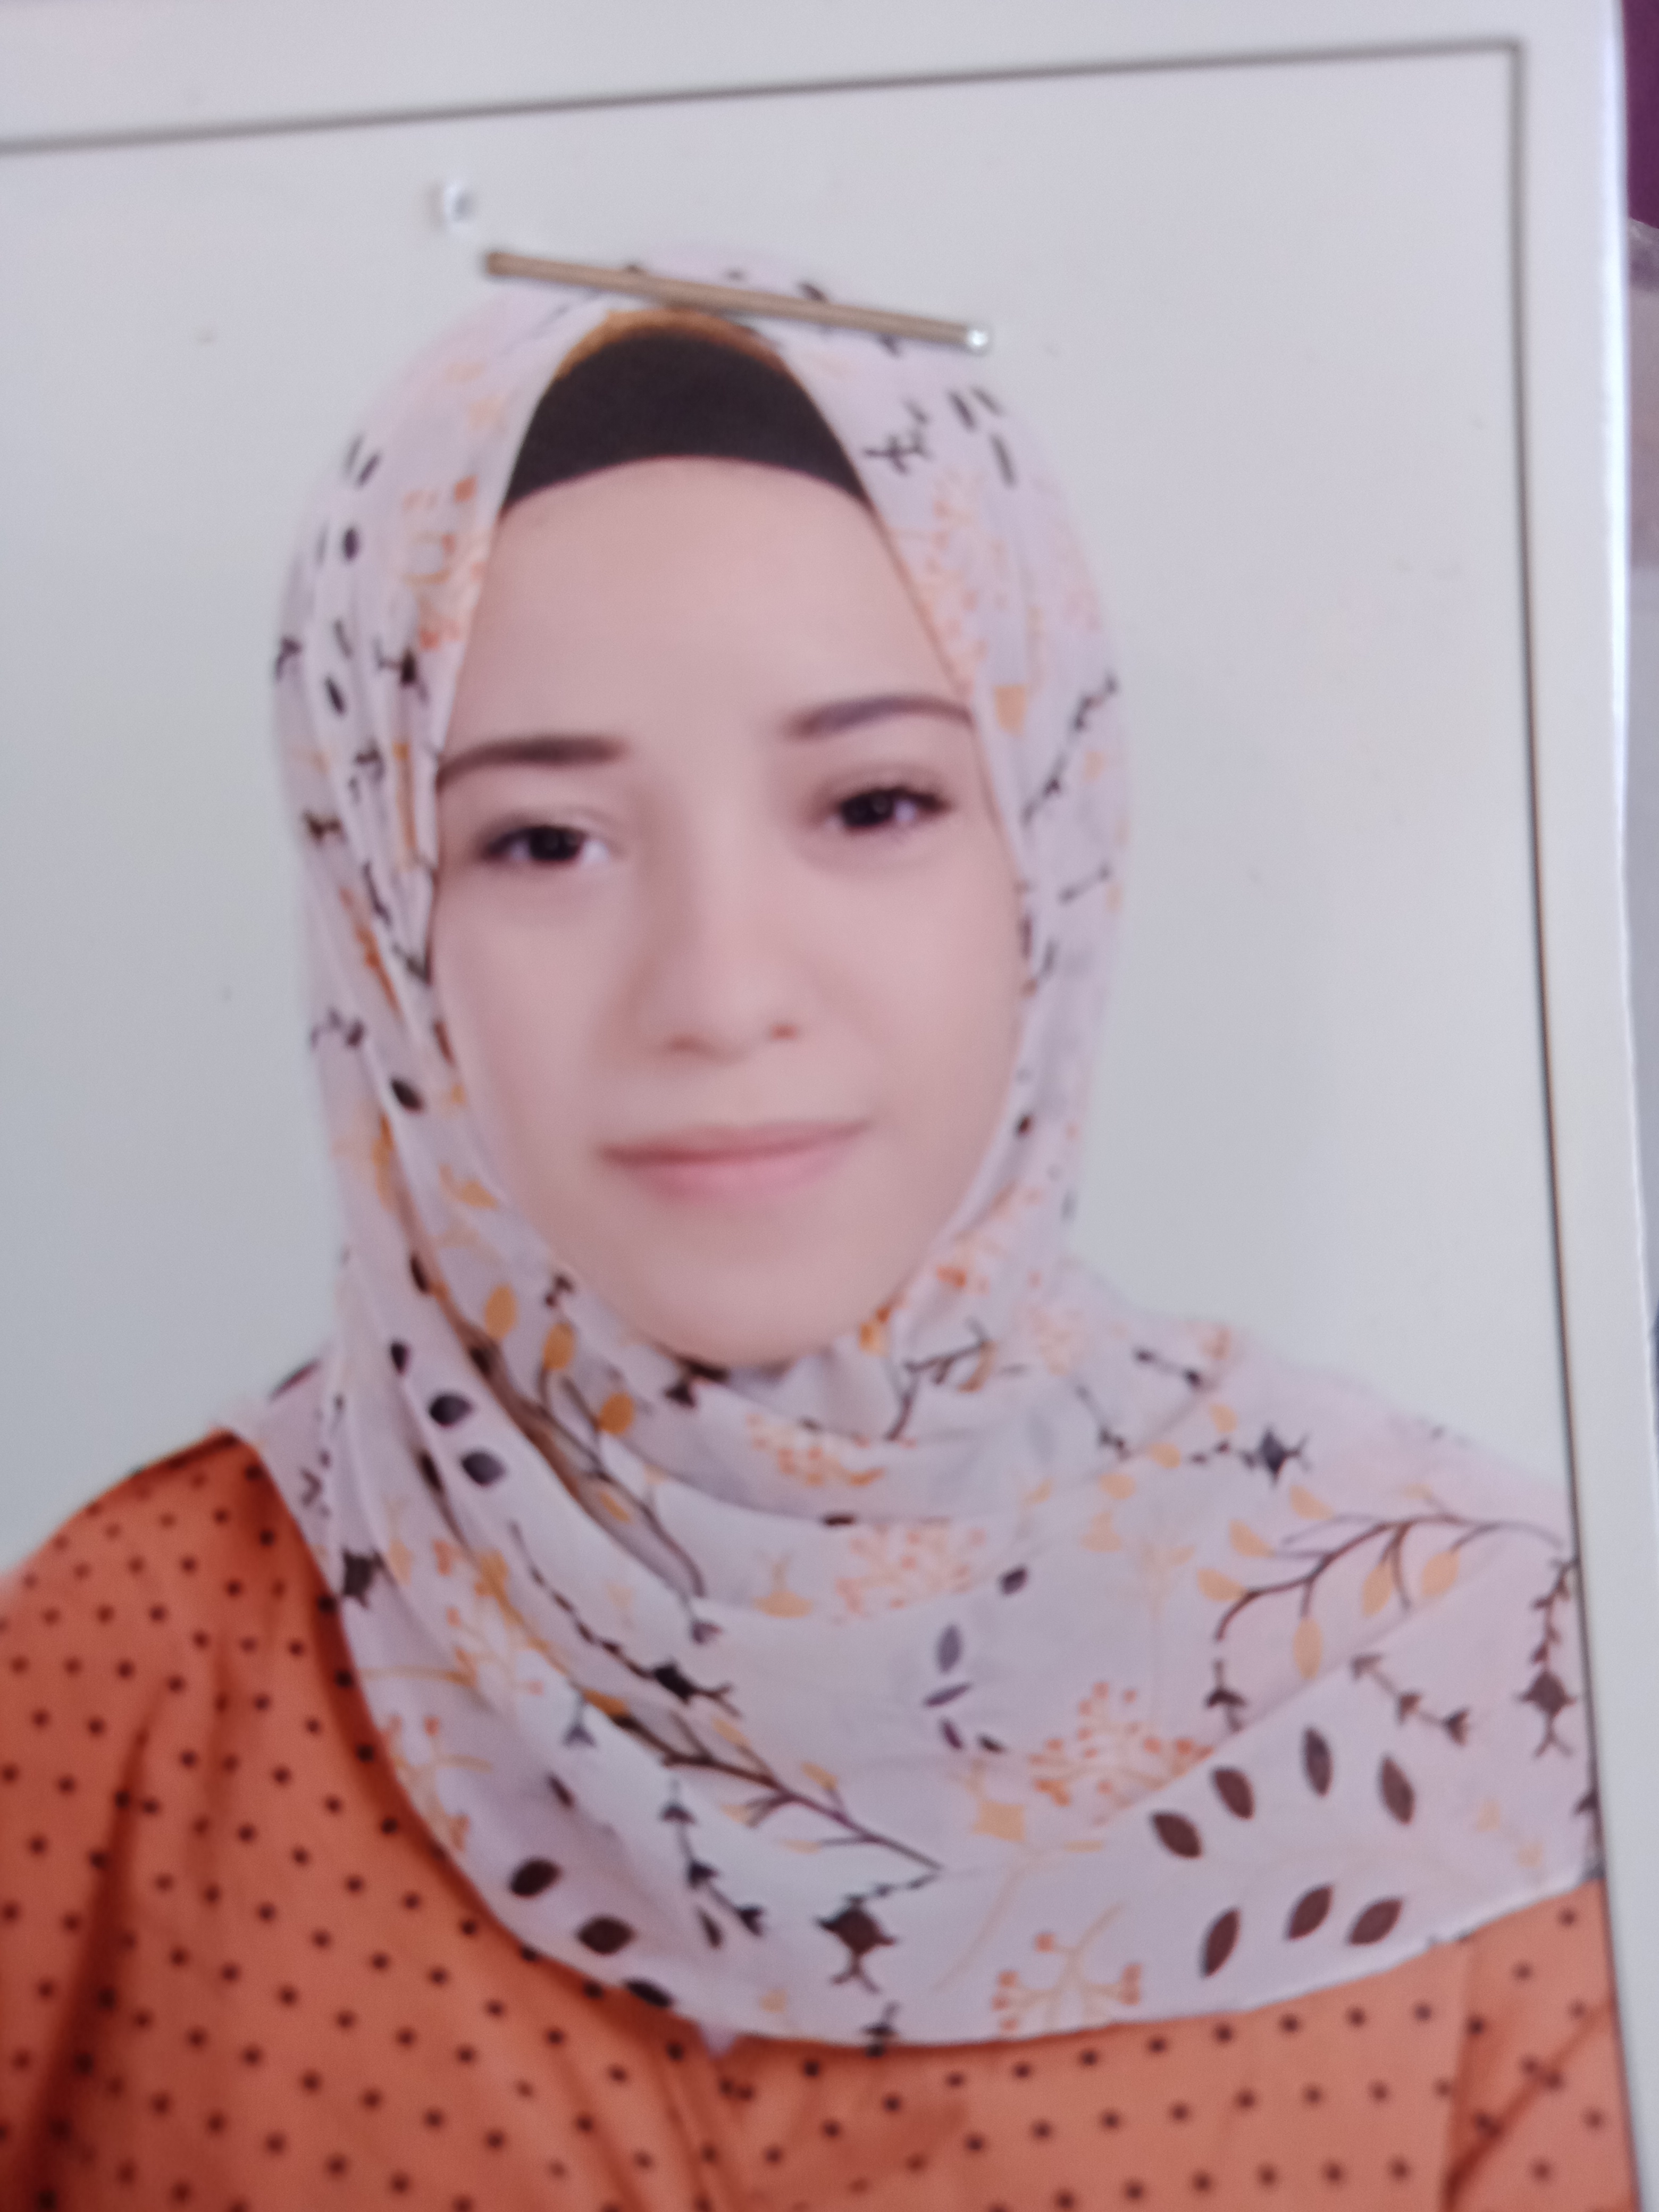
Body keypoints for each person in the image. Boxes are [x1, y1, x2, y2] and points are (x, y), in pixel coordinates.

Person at [0, 255, 1636, 2208]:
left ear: (1051, 849)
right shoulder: (131, 1669)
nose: (719, 992)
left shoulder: (1478, 1674)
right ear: (378, 913)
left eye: (871, 806)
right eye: (543, 841)